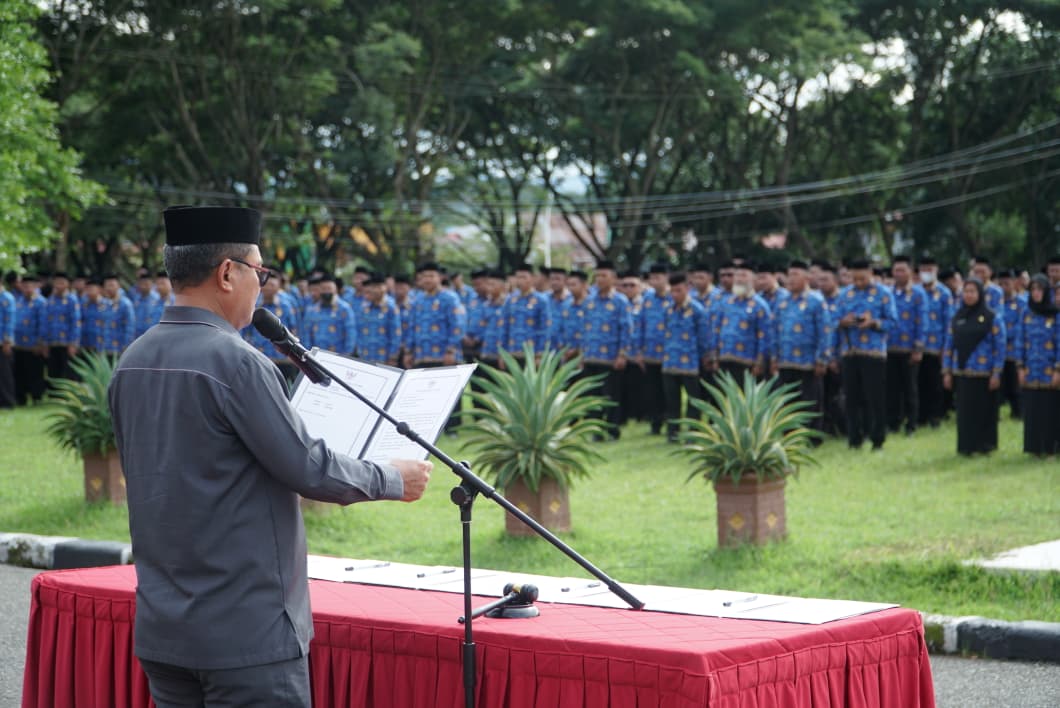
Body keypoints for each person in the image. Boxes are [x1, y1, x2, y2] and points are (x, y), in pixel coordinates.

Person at [108, 205, 432, 708]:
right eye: (260, 273)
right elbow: (309, 468)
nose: (262, 287)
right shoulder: (238, 363)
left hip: (164, 627)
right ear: (227, 273)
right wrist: (391, 478)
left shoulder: (132, 361)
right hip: (246, 633)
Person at [834, 259, 897, 450]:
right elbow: (833, 321)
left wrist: (874, 323)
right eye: (855, 279)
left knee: (875, 397)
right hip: (850, 351)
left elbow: (893, 322)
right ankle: (854, 439)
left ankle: (877, 439)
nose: (858, 282)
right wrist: (843, 322)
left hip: (873, 353)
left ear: (870, 274)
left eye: (862, 278)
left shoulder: (883, 293)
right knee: (852, 398)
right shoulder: (844, 294)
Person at [943, 278, 1005, 456]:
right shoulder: (957, 317)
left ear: (980, 294)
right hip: (962, 371)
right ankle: (966, 446)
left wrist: (997, 372)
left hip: (984, 372)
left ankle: (985, 445)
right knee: (964, 411)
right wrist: (947, 371)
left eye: (972, 291)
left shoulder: (992, 317)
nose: (969, 295)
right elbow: (949, 345)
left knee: (984, 410)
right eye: (966, 291)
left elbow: (999, 346)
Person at [771, 260, 831, 431]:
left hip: (808, 361)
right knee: (787, 400)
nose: (791, 279)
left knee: (810, 401)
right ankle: (790, 435)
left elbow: (825, 331)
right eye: (789, 275)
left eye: (795, 275)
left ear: (807, 277)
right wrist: (774, 356)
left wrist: (822, 359)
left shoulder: (816, 301)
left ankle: (811, 435)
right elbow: (774, 330)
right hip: (786, 360)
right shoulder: (782, 302)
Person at [578, 260, 633, 440]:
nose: (600, 279)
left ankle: (612, 429)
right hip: (591, 356)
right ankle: (596, 430)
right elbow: (584, 328)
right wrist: (581, 354)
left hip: (610, 357)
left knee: (611, 396)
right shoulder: (589, 301)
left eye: (604, 275)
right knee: (592, 396)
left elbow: (626, 329)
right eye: (597, 276)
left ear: (613, 278)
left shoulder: (620, 301)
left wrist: (622, 354)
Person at [661, 273, 710, 442]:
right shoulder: (668, 310)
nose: (675, 295)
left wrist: (704, 357)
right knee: (672, 401)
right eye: (672, 291)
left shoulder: (697, 310)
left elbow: (703, 337)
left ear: (687, 289)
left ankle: (693, 434)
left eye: (679, 291)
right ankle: (672, 433)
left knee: (693, 401)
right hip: (670, 362)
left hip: (691, 363)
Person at [1018, 275, 1060, 456]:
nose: (1036, 293)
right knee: (1032, 408)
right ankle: (1034, 447)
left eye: (1039, 289)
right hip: (1030, 370)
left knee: (1050, 409)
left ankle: (1051, 448)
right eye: (1033, 289)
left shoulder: (1055, 314)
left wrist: (1058, 369)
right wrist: (1020, 367)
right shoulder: (1026, 313)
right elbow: (1020, 341)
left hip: (1049, 370)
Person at [886, 257, 927, 435]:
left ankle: (911, 424)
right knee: (891, 388)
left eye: (902, 270)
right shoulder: (888, 292)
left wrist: (918, 348)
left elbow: (923, 322)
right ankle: (893, 422)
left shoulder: (918, 294)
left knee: (910, 387)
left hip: (909, 348)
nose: (899, 274)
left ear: (910, 271)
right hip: (890, 347)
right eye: (896, 270)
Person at [711, 262, 772, 381]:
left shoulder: (760, 305)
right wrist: (715, 356)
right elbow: (716, 330)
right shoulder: (726, 303)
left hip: (748, 362)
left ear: (753, 279)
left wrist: (760, 362)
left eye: (744, 275)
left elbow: (764, 336)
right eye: (737, 275)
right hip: (724, 358)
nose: (739, 279)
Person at [916, 257, 952, 428]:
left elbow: (948, 322)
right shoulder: (915, 291)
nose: (926, 273)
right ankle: (920, 416)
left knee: (935, 383)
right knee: (918, 383)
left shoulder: (944, 293)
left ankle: (936, 416)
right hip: (917, 347)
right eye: (923, 269)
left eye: (929, 269)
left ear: (936, 270)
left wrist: (946, 347)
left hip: (936, 346)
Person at [636, 263, 670, 435]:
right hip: (650, 352)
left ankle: (672, 423)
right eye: (652, 278)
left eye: (658, 278)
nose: (655, 281)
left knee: (669, 392)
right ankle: (655, 424)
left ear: (666, 278)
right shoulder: (647, 298)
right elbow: (640, 324)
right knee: (652, 391)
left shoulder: (673, 297)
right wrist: (639, 350)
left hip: (670, 354)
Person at [302, 272, 357, 355]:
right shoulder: (312, 310)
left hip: (338, 356)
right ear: (319, 290)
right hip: (316, 356)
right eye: (324, 289)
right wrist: (308, 354)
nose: (326, 291)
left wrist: (347, 354)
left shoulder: (345, 309)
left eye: (329, 288)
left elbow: (351, 334)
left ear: (335, 289)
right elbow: (306, 334)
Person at [13, 273, 47, 404]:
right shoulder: (19, 301)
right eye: (25, 286)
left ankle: (36, 397)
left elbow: (43, 324)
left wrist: (40, 342)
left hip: (34, 345)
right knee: (20, 372)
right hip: (19, 344)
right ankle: (20, 398)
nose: (27, 289)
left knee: (35, 372)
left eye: (30, 286)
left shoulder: (41, 302)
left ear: (36, 286)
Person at [355, 273, 402, 365]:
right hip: (365, 357)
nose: (375, 290)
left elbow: (396, 334)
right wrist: (359, 351)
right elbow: (360, 332)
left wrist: (393, 356)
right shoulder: (365, 308)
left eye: (378, 287)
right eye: (372, 287)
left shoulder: (391, 308)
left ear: (385, 288)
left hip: (385, 358)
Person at [997, 269, 1025, 419]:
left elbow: (1022, 326)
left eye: (1006, 284)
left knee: (1015, 386)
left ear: (1014, 283)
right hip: (999, 353)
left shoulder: (1022, 303)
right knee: (999, 386)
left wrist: (1003, 333)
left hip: (1015, 351)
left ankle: (1018, 413)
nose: (1003, 287)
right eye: (1000, 284)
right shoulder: (996, 302)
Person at [44, 271, 81, 383]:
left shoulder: (72, 300)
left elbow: (75, 322)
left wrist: (73, 343)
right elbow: (46, 322)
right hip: (52, 342)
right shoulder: (50, 300)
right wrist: (45, 342)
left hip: (67, 343)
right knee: (53, 372)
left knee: (67, 372)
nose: (59, 285)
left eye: (62, 283)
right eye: (57, 283)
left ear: (67, 284)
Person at [0, 274, 15, 408]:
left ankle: (8, 401)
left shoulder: (7, 298)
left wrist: (7, 341)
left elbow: (9, 322)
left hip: (3, 342)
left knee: (4, 373)